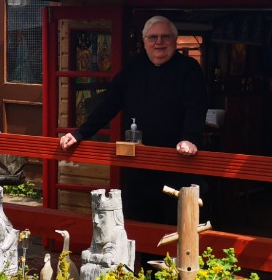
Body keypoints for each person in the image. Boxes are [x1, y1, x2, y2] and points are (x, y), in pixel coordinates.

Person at [59, 15, 207, 223]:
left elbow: (196, 107)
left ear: (174, 41)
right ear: (144, 41)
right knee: (139, 220)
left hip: (177, 161)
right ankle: (144, 257)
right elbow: (109, 104)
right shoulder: (133, 68)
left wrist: (190, 138)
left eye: (165, 37)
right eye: (153, 37)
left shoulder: (189, 69)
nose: (159, 42)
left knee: (175, 221)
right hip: (139, 163)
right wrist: (80, 133)